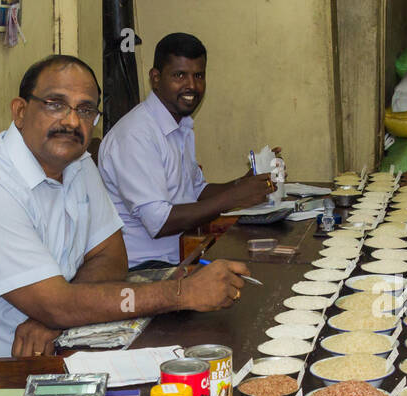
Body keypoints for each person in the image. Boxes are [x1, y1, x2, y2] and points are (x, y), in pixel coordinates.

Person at [0, 54, 251, 377]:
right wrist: (180, 293)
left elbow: (112, 256)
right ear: (20, 111)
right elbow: (56, 305)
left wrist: (56, 316)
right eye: (55, 105)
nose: (71, 121)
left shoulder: (77, 162)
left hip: (57, 349)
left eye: (85, 110)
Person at [98, 33, 277, 269]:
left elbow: (196, 189)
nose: (191, 86)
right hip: (143, 268)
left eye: (198, 75)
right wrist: (233, 197)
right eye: (179, 75)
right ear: (155, 78)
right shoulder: (134, 135)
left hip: (183, 255)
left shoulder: (181, 124)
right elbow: (159, 222)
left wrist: (243, 184)